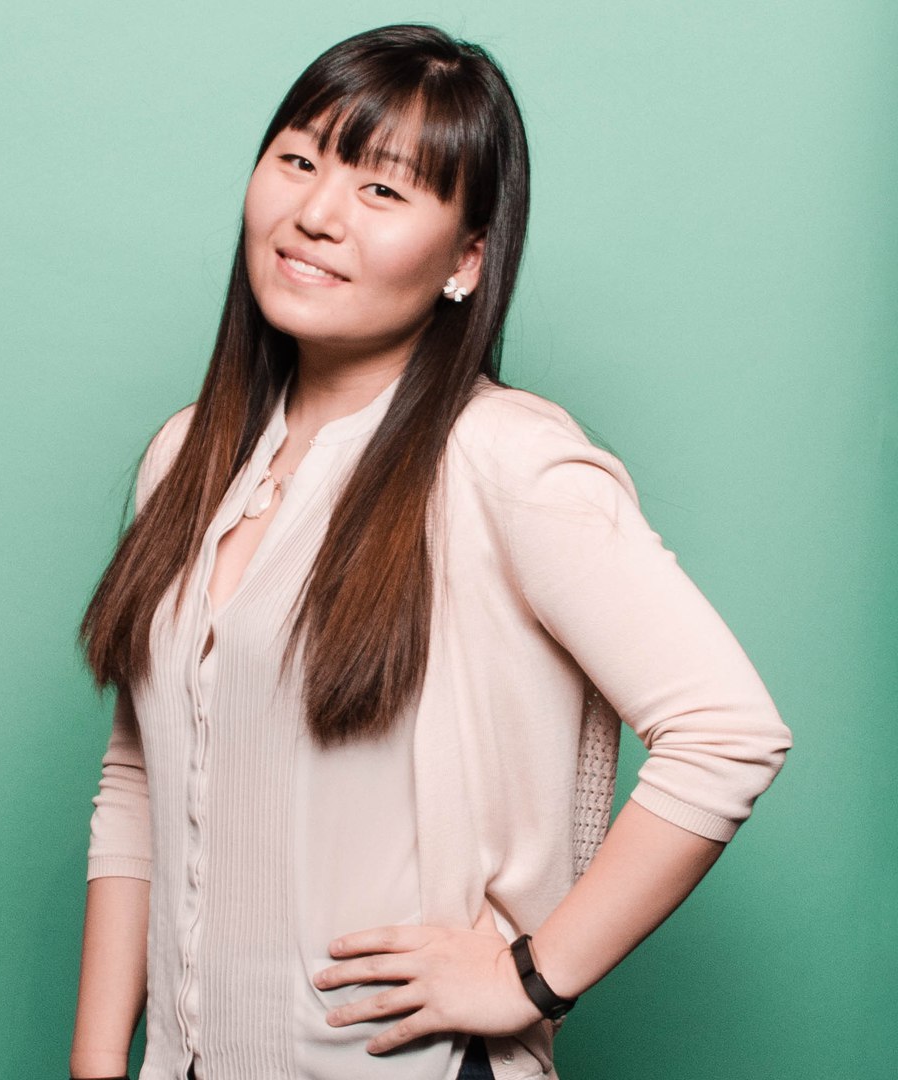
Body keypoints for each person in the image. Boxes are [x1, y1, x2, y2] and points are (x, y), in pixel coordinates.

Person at [69, 23, 791, 1080]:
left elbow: (728, 732)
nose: (318, 214)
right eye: (299, 161)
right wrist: (99, 1062)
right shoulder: (188, 455)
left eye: (383, 189)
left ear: (466, 260)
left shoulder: (504, 460)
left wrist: (527, 978)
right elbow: (142, 774)